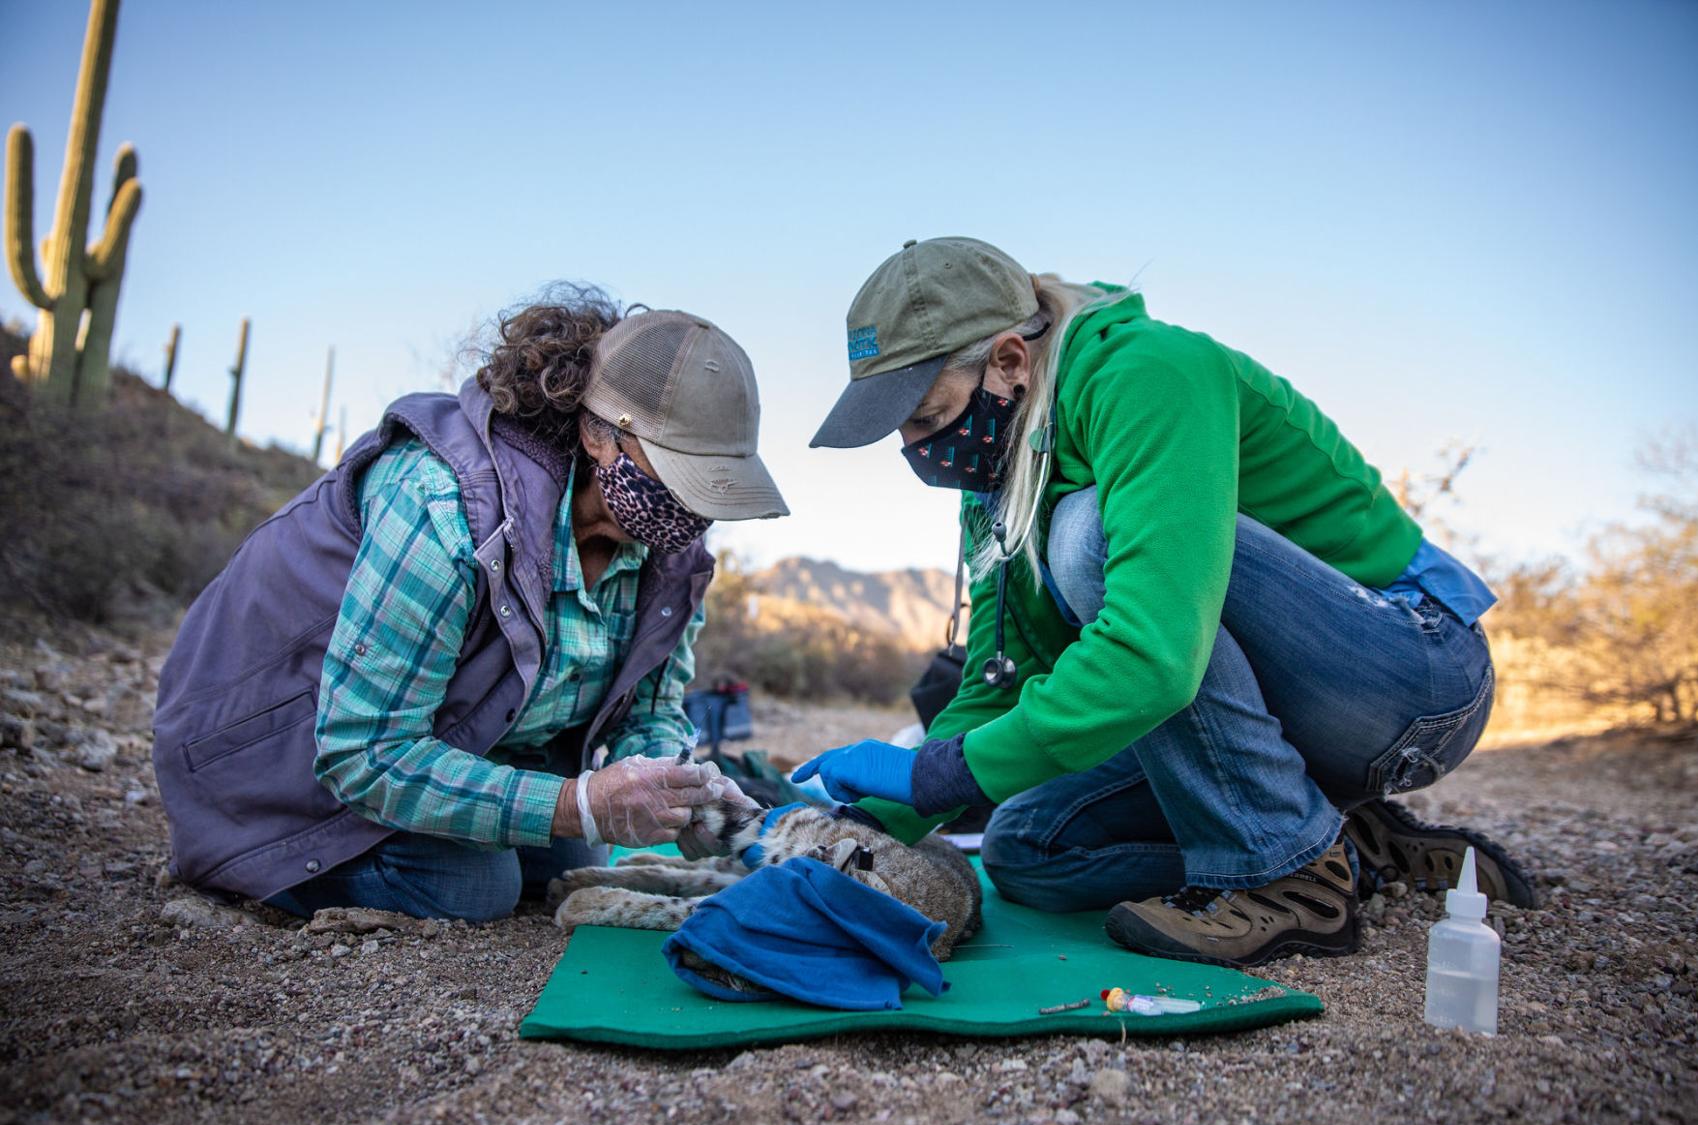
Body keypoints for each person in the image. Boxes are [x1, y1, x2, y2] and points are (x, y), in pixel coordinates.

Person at [799, 238, 1534, 967]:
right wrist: (851, 826)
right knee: (1026, 848)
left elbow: (1153, 657)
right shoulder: (1004, 477)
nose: (916, 447)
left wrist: (936, 774)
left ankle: (1288, 870)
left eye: (928, 416)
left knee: (1089, 540)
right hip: (1283, 708)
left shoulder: (1148, 375)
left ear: (1009, 362)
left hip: (1413, 680)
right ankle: (1342, 840)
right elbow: (1004, 682)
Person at [152, 285, 782, 922]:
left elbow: (651, 710)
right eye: (681, 470)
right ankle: (256, 860)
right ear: (598, 433)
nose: (696, 507)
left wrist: (679, 785)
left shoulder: (667, 551)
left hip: (438, 742)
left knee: (566, 859)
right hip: (268, 763)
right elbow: (364, 750)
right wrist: (579, 802)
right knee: (476, 886)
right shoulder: (445, 504)